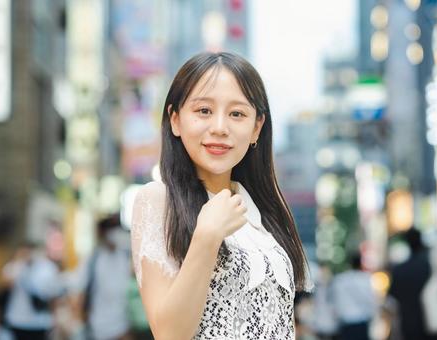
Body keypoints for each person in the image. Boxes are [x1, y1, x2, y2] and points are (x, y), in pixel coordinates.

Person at [131, 52, 313, 340]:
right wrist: (206, 236)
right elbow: (168, 334)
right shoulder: (158, 200)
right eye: (204, 111)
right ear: (175, 120)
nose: (219, 127)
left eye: (237, 114)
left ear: (256, 128)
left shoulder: (262, 210)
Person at [79, 214, 133, 340]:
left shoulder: (125, 257)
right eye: (112, 229)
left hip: (123, 327)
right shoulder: (93, 260)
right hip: (98, 329)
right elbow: (80, 295)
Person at [2, 242, 63, 340]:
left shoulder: (47, 268)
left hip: (40, 322)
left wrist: (55, 319)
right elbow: (6, 284)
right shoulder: (16, 266)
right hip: (18, 320)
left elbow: (53, 296)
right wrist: (20, 265)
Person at [388, 228, 437, 340]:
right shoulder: (429, 266)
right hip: (431, 319)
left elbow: (392, 296)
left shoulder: (399, 270)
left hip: (408, 323)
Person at [330, 253, 377, 340]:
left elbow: (335, 301)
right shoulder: (365, 279)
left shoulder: (340, 279)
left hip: (345, 323)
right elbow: (371, 301)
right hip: (361, 323)